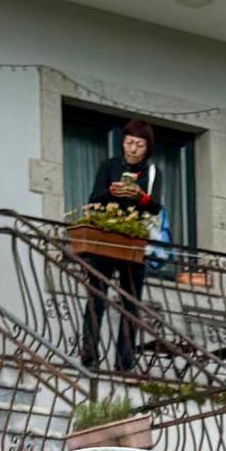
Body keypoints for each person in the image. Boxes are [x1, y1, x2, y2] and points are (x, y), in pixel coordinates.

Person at [76, 119, 163, 372]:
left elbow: (156, 205)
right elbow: (94, 198)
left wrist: (139, 196)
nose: (132, 148)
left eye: (138, 144)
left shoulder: (152, 172)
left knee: (131, 303)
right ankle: (89, 355)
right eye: (128, 143)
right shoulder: (109, 166)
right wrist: (114, 193)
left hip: (134, 241)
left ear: (147, 147)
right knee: (97, 297)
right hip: (106, 238)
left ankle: (124, 363)